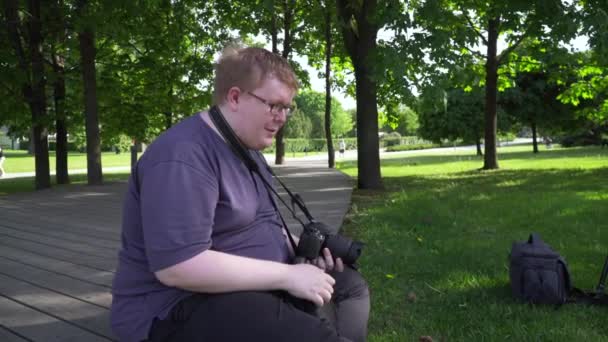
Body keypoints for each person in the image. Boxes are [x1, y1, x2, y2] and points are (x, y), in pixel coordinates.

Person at [111, 46, 370, 342]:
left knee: (351, 286)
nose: (283, 117)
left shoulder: (246, 148)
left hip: (245, 285)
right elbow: (177, 268)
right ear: (235, 97)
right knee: (313, 335)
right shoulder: (182, 156)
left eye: (288, 107)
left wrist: (308, 251)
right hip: (172, 308)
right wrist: (289, 277)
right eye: (274, 105)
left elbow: (262, 225)